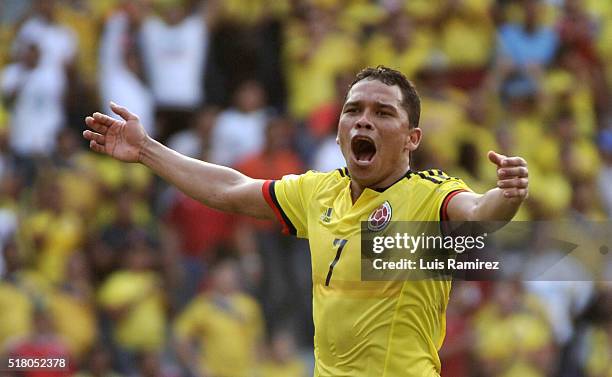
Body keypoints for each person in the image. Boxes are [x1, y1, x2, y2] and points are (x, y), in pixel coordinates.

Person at [84, 66, 529, 376]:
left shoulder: (429, 192)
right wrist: (146, 150)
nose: (364, 121)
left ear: (412, 138)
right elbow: (231, 190)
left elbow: (479, 213)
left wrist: (506, 197)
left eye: (383, 113)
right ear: (338, 131)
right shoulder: (318, 192)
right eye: (354, 110)